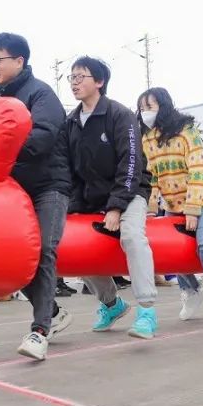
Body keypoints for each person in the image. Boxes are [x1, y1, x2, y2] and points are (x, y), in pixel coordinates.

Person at [0, 32, 73, 360]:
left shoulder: (40, 94)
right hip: (14, 192)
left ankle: (40, 331)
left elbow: (42, 138)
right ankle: (54, 311)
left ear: (19, 61)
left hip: (49, 187)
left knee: (43, 251)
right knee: (8, 255)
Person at [64, 56, 159, 338]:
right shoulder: (70, 122)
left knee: (131, 236)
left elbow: (131, 163)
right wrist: (72, 206)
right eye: (72, 77)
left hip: (130, 192)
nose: (74, 83)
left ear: (99, 81)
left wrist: (116, 207)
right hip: (91, 198)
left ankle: (147, 310)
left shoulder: (120, 115)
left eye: (80, 77)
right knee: (77, 246)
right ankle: (111, 304)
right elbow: (70, 170)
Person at [138, 87, 203, 320]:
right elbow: (152, 175)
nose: (145, 112)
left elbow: (198, 170)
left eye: (149, 107)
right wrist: (151, 208)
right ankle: (191, 291)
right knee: (172, 248)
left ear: (163, 107)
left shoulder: (186, 132)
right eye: (141, 108)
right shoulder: (147, 138)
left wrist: (192, 209)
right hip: (172, 202)